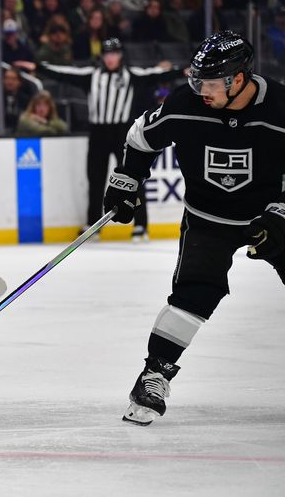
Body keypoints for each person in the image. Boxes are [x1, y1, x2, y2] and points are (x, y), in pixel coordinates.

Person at [103, 31, 285, 426]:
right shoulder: (185, 104)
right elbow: (140, 137)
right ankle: (154, 375)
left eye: (210, 83)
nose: (200, 89)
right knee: (193, 296)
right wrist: (126, 182)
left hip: (271, 216)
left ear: (238, 79)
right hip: (208, 219)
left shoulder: (281, 108)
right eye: (196, 80)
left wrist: (279, 213)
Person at [17, 37, 182, 240]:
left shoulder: (131, 75)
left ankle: (141, 225)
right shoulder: (92, 75)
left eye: (114, 54)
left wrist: (182, 70)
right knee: (95, 179)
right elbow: (65, 73)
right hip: (98, 133)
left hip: (122, 133)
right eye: (107, 54)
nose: (111, 58)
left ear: (120, 55)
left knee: (133, 178)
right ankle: (93, 224)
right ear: (102, 56)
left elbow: (155, 74)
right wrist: (40, 68)